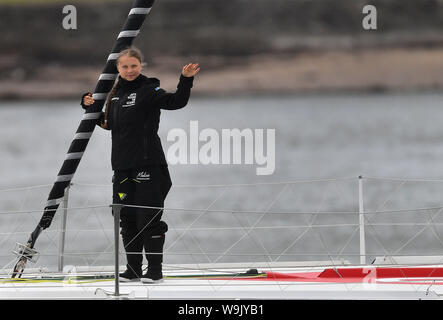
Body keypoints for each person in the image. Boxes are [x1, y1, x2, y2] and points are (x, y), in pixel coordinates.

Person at [81, 47, 200, 283]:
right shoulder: (114, 95)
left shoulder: (148, 90)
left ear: (140, 66)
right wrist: (89, 106)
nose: (130, 70)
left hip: (149, 166)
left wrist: (185, 80)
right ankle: (133, 270)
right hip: (122, 168)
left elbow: (176, 102)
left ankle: (155, 272)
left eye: (134, 66)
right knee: (127, 219)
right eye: (125, 67)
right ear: (118, 69)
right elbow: (108, 125)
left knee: (148, 219)